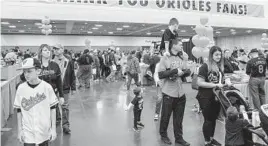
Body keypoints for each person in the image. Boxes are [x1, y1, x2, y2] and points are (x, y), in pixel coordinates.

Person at [14, 58, 58, 146]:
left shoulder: (47, 87)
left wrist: (53, 129)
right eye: (24, 72)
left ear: (38, 71)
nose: (26, 74)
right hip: (28, 132)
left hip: (44, 131)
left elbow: (53, 108)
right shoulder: (21, 88)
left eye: (29, 71)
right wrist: (20, 130)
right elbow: (19, 110)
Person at [158, 39, 191, 146]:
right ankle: (163, 135)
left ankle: (179, 138)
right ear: (173, 46)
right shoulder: (165, 58)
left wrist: (184, 73)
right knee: (165, 117)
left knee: (179, 118)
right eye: (180, 44)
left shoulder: (182, 57)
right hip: (168, 93)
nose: (182, 46)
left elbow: (187, 70)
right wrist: (175, 71)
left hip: (180, 93)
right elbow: (161, 74)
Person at [197, 46, 227, 146]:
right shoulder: (205, 67)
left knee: (213, 119)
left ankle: (211, 138)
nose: (219, 56)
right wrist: (215, 85)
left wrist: (225, 82)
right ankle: (207, 142)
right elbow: (200, 82)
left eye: (220, 54)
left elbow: (220, 81)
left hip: (216, 97)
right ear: (211, 55)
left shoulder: (219, 67)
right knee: (208, 120)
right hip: (205, 97)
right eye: (216, 55)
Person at [37, 44, 64, 127]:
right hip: (39, 96)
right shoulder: (36, 65)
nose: (48, 51)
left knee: (54, 120)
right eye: (45, 50)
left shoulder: (54, 65)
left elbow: (59, 81)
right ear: (41, 52)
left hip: (52, 94)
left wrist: (61, 96)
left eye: (49, 50)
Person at [52, 44, 76, 134]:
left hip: (65, 87)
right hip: (53, 88)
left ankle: (65, 125)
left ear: (62, 50)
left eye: (57, 49)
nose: (55, 50)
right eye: (54, 49)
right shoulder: (51, 62)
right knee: (53, 105)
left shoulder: (68, 61)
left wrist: (73, 87)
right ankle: (57, 120)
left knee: (65, 106)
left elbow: (72, 74)